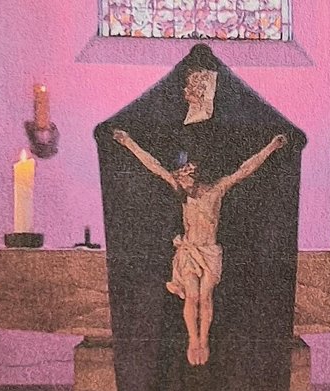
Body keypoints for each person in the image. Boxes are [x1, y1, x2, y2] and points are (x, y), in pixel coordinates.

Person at [113, 129, 287, 365]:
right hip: (189, 250)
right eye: (180, 177)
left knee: (205, 296)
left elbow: (245, 169)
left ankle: (203, 341)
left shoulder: (216, 191)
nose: (180, 180)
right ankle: (192, 341)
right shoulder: (182, 191)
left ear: (196, 175)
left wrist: (271, 147)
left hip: (209, 251)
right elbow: (154, 166)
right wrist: (128, 142)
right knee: (192, 295)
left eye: (184, 176)